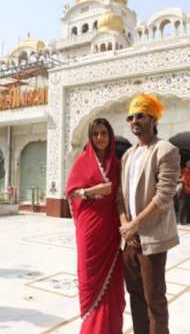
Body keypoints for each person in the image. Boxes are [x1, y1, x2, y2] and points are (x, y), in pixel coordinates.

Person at [117, 94, 180, 334]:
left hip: (152, 238)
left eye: (140, 115)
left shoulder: (165, 150)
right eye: (131, 116)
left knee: (154, 300)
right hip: (129, 239)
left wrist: (135, 225)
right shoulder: (128, 155)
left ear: (153, 118)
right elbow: (120, 197)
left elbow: (163, 196)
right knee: (135, 297)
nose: (134, 120)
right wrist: (126, 226)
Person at [65, 118, 125, 333]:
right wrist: (93, 191)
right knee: (90, 279)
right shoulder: (83, 161)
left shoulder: (117, 165)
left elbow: (121, 197)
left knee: (113, 285)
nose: (100, 138)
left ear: (110, 137)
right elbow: (71, 193)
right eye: (96, 134)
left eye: (104, 133)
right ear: (90, 137)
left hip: (110, 229)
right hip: (89, 230)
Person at [179, 160, 190, 224]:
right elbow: (180, 179)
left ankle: (188, 220)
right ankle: (181, 220)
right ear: (186, 164)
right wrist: (185, 185)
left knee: (189, 206)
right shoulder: (182, 171)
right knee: (183, 206)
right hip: (183, 191)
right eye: (188, 163)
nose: (189, 164)